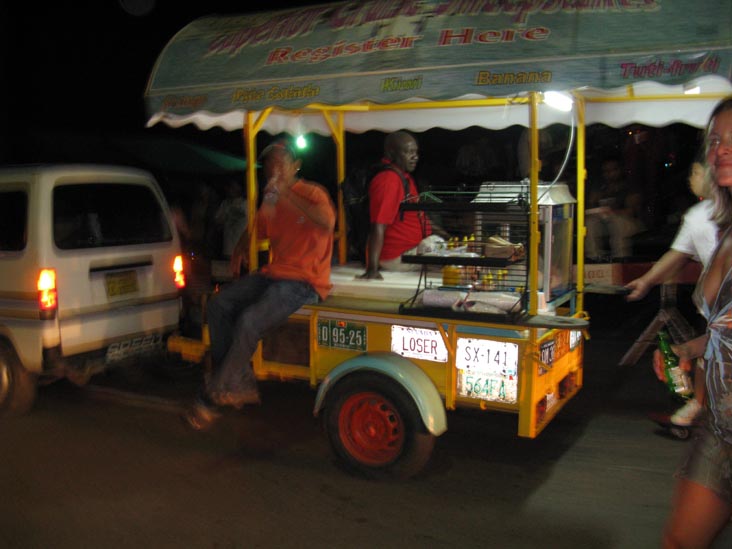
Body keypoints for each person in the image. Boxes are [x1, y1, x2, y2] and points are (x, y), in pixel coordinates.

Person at [183, 138, 336, 430]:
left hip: (304, 281)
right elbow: (258, 228)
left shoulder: (313, 193)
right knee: (219, 304)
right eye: (268, 165)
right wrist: (241, 248)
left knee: (249, 320)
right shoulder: (272, 200)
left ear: (296, 166)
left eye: (280, 164)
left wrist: (286, 194)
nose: (273, 169)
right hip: (274, 275)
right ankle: (234, 378)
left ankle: (212, 394)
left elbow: (326, 223)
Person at [661, 96, 732, 549]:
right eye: (717, 140)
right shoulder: (726, 230)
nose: (721, 149)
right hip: (720, 429)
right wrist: (690, 351)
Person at [625, 160, 715, 427]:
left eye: (697, 172)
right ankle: (697, 406)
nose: (691, 177)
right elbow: (677, 254)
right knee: (708, 355)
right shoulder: (697, 216)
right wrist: (646, 281)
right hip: (716, 304)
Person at [359, 131, 432, 279]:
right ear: (391, 153)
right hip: (398, 256)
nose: (415, 157)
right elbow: (378, 225)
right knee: (449, 253)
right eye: (408, 152)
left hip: (410, 250)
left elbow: (417, 216)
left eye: (416, 152)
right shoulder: (388, 180)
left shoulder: (403, 177)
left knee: (450, 248)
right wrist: (372, 269)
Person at [585, 155, 644, 261]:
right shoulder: (600, 188)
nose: (610, 174)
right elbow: (590, 208)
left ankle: (620, 259)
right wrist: (594, 205)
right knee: (590, 223)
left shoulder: (630, 186)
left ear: (620, 169)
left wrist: (612, 212)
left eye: (614, 170)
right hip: (604, 223)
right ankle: (594, 258)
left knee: (617, 222)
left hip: (629, 222)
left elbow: (632, 211)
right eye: (606, 171)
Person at [214, 178, 248, 258]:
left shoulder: (246, 204)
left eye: (234, 186)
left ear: (240, 187)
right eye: (230, 187)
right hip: (228, 248)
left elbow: (253, 224)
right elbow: (217, 222)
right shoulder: (225, 204)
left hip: (243, 249)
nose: (231, 189)